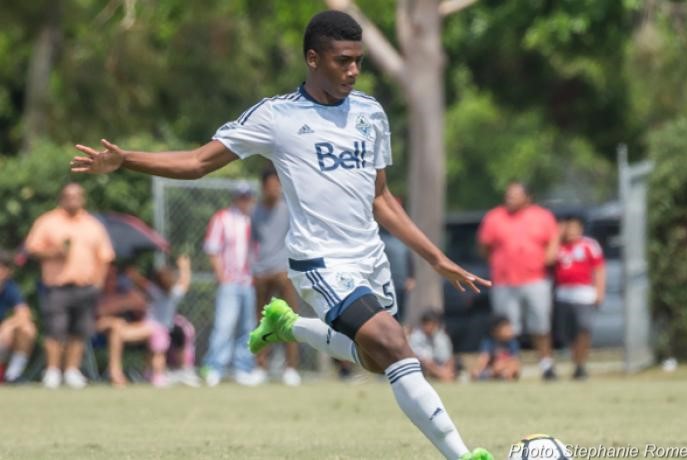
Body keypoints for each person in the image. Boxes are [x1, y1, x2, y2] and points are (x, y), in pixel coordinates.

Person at [71, 11, 493, 460]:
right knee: (393, 342)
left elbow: (381, 198)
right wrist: (127, 160)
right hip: (320, 261)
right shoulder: (277, 116)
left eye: (358, 61)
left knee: (377, 358)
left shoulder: (370, 112)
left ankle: (288, 326)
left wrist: (435, 258)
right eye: (342, 60)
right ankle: (462, 455)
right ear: (313, 59)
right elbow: (197, 162)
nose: (353, 70)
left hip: (370, 257)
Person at [25, 183, 115, 389]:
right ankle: (53, 371)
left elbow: (105, 257)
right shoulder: (48, 222)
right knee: (54, 329)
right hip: (57, 286)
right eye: (69, 196)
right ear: (62, 198)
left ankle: (72, 370)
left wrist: (99, 282)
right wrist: (53, 252)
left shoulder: (93, 225)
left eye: (77, 196)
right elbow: (32, 249)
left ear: (83, 198)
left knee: (80, 330)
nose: (73, 200)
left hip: (86, 286)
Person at [478, 182, 559, 380]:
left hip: (535, 279)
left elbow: (553, 241)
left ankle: (546, 364)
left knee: (540, 324)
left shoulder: (542, 216)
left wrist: (546, 259)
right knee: (506, 328)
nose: (510, 198)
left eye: (515, 195)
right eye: (508, 195)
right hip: (504, 281)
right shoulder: (494, 217)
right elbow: (484, 246)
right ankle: (509, 366)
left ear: (527, 198)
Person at [201, 182, 266, 387]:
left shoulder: (255, 219)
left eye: (248, 197)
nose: (245, 201)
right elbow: (212, 248)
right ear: (235, 198)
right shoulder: (222, 218)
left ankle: (243, 368)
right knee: (224, 326)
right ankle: (214, 367)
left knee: (247, 327)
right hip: (229, 281)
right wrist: (221, 276)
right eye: (241, 197)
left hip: (249, 281)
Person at [251, 167, 301, 386]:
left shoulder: (288, 209)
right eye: (270, 186)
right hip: (261, 272)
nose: (274, 190)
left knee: (290, 319)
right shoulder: (255, 212)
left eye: (277, 185)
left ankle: (290, 368)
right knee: (262, 322)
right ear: (263, 187)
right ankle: (260, 367)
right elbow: (254, 241)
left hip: (284, 271)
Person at [126, 255, 199, 387]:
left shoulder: (155, 292)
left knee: (153, 353)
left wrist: (133, 273)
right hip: (162, 330)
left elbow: (141, 282)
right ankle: (157, 376)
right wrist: (185, 267)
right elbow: (185, 283)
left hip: (150, 327)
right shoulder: (174, 294)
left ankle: (153, 374)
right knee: (158, 354)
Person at [555, 214, 606, 380]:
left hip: (584, 294)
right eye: (568, 228)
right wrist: (557, 236)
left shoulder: (589, 245)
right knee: (567, 333)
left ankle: (581, 363)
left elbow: (599, 269)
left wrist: (599, 291)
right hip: (563, 294)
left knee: (584, 328)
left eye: (574, 228)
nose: (571, 231)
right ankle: (576, 361)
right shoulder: (558, 246)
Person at [95, 265, 155, 387]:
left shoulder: (123, 290)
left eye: (113, 277)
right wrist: (124, 303)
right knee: (116, 324)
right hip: (95, 330)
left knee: (152, 329)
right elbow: (99, 311)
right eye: (107, 276)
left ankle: (154, 373)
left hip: (123, 331)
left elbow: (141, 303)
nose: (111, 280)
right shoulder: (94, 290)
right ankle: (115, 373)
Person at [0, 250, 36, 383]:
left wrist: (8, 326)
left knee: (27, 329)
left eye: (3, 268)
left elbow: (24, 314)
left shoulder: (10, 288)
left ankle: (12, 376)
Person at [469, 315, 521, 381]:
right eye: (506, 328)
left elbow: (514, 360)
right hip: (493, 368)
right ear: (496, 330)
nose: (510, 330)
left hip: (506, 367)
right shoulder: (488, 342)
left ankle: (500, 375)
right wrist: (478, 369)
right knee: (477, 372)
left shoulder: (512, 342)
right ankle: (494, 375)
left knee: (511, 369)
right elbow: (484, 358)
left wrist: (504, 365)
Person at [380, 226, 415, 324]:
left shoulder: (402, 240)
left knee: (400, 310)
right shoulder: (380, 238)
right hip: (386, 283)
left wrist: (411, 277)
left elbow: (409, 259)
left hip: (401, 283)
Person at [409, 311, 456, 382]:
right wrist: (440, 374)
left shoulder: (441, 336)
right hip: (421, 369)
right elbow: (425, 361)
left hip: (440, 368)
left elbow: (448, 358)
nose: (430, 327)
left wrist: (448, 371)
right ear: (423, 324)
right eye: (428, 324)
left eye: (433, 324)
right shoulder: (415, 337)